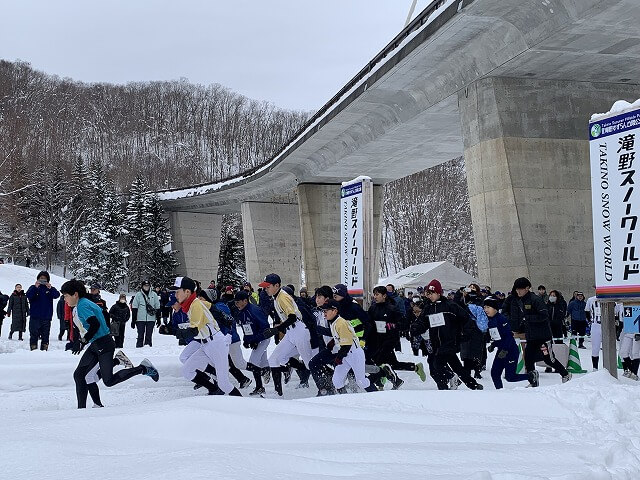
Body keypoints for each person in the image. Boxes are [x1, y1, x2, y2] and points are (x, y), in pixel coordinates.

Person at [61, 279, 158, 409]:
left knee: (109, 381)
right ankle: (88, 407)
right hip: (96, 344)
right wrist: (81, 342)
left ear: (75, 294)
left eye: (66, 295)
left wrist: (82, 341)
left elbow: (95, 324)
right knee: (80, 375)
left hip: (103, 345)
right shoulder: (84, 303)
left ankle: (144, 368)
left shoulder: (82, 305)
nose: (65, 299)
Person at [172, 276, 241, 396]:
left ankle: (246, 407)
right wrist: (222, 316)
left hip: (216, 344)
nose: (175, 295)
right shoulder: (195, 302)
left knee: (224, 384)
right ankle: (213, 389)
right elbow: (211, 307)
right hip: (206, 344)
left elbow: (193, 331)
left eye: (177, 291)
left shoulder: (195, 305)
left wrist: (172, 331)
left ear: (187, 292)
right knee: (187, 371)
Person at [411, 280, 482, 390]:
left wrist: (466, 334)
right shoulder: (428, 308)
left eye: (431, 293)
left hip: (450, 341)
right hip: (436, 343)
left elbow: (465, 319)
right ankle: (473, 385)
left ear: (439, 293)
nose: (429, 296)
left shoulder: (450, 306)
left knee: (437, 364)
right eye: (428, 293)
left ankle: (444, 388)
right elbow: (422, 323)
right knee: (456, 366)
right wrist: (415, 328)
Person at [506, 277, 570, 386]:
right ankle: (533, 382)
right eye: (516, 289)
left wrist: (528, 318)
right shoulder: (521, 300)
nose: (518, 291)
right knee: (529, 359)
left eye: (520, 289)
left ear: (527, 288)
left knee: (549, 359)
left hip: (543, 336)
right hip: (531, 336)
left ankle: (565, 374)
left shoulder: (536, 299)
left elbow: (544, 315)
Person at [261, 273, 316, 397]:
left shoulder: (282, 297)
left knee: (310, 363)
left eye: (268, 286)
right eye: (265, 287)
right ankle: (277, 393)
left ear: (277, 285)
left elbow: (293, 317)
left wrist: (277, 329)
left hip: (299, 331)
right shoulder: (277, 297)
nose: (266, 289)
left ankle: (325, 387)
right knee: (274, 359)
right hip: (292, 333)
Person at [367, 285, 426, 389]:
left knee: (379, 361)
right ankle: (416, 367)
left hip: (390, 339)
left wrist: (393, 325)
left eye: (377, 294)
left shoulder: (391, 309)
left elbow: (403, 323)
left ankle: (386, 382)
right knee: (393, 364)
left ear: (384, 296)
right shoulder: (372, 308)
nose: (375, 297)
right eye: (374, 294)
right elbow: (370, 324)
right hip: (378, 339)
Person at [320, 300, 377, 393]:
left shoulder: (341, 323)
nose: (324, 313)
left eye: (326, 310)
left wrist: (339, 357)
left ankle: (378, 392)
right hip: (345, 354)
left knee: (361, 381)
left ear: (334, 311)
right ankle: (345, 399)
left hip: (354, 353)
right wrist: (332, 343)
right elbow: (339, 337)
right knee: (337, 381)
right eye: (323, 311)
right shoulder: (334, 322)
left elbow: (347, 344)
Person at [483, 296, 531, 389]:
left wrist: (505, 350)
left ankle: (531, 376)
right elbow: (497, 336)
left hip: (510, 351)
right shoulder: (490, 320)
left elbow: (508, 337)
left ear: (495, 308)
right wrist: (493, 345)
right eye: (485, 307)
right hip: (501, 351)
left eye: (488, 307)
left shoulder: (502, 319)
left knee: (510, 377)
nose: (486, 310)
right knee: (495, 373)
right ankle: (500, 392)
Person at [234, 290, 271, 396]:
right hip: (256, 339)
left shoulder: (254, 310)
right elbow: (246, 328)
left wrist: (255, 340)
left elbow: (265, 328)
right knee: (262, 361)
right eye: (235, 303)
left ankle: (260, 387)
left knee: (253, 362)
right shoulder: (241, 312)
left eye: (238, 302)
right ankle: (267, 370)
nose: (236, 305)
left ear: (245, 301)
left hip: (263, 339)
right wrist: (246, 340)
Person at [26, 271, 60, 351]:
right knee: (33, 335)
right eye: (41, 278)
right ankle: (33, 350)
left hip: (46, 317)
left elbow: (57, 295)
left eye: (45, 279)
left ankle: (44, 351)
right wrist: (35, 287)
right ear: (38, 279)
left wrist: (50, 288)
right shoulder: (33, 287)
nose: (43, 280)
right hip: (35, 317)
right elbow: (28, 295)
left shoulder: (49, 289)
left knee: (45, 336)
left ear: (48, 280)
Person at [131, 280, 160, 347]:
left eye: (147, 286)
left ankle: (148, 349)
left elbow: (157, 307)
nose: (146, 287)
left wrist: (158, 319)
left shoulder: (154, 295)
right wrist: (133, 320)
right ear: (142, 286)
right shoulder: (138, 295)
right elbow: (135, 307)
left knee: (149, 336)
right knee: (140, 335)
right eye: (145, 286)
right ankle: (139, 349)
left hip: (151, 319)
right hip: (140, 319)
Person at [585, 294, 603, 371]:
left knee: (609, 346)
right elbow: (587, 311)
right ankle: (595, 367)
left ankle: (609, 366)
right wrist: (590, 321)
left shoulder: (610, 298)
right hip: (596, 324)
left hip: (607, 325)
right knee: (595, 346)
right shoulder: (591, 299)